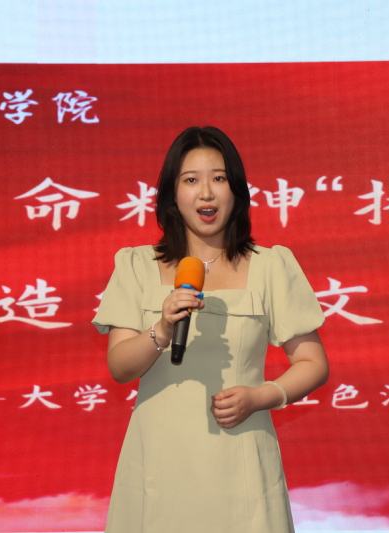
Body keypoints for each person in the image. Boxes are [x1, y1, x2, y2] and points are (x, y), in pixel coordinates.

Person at [92, 126, 328, 532]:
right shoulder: (136, 264)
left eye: (218, 178)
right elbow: (120, 366)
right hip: (159, 463)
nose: (206, 193)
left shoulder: (271, 265)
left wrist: (261, 395)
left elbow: (313, 362)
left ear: (236, 190)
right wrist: (162, 329)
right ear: (172, 194)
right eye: (191, 180)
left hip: (241, 456)